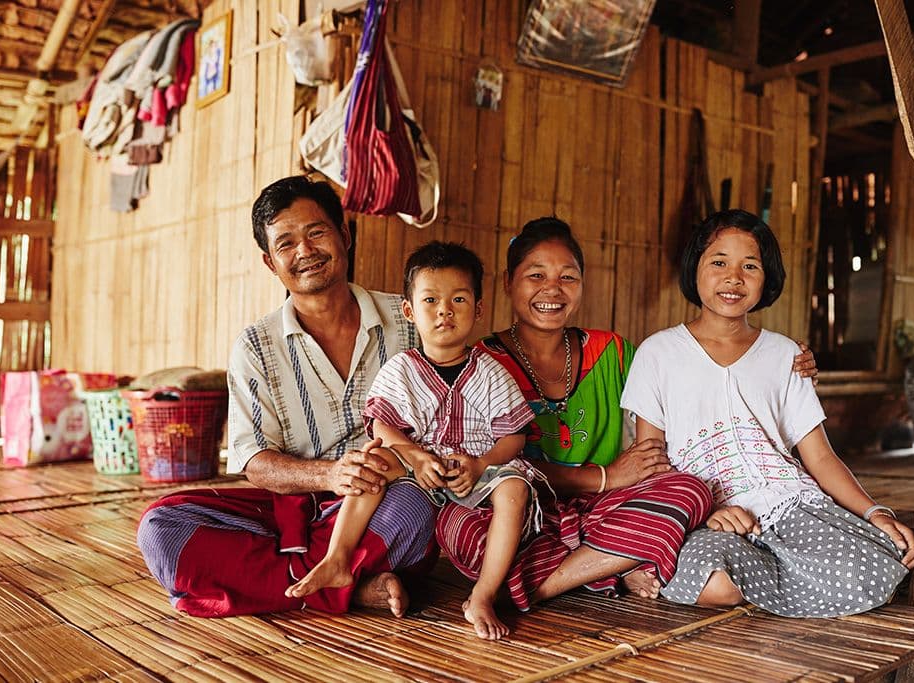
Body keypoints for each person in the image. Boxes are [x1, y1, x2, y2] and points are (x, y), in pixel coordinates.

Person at [435, 217, 819, 610]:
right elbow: (483, 467)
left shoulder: (615, 354)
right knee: (456, 526)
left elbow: (693, 377)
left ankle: (548, 584)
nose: (552, 290)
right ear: (507, 282)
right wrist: (604, 476)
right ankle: (611, 566)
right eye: (536, 275)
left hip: (605, 512)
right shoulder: (479, 363)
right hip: (517, 512)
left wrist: (787, 360)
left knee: (690, 491)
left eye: (568, 277)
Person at [136, 176, 438, 618]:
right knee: (161, 528)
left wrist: (389, 466)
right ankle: (348, 589)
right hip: (289, 510)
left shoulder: (410, 320)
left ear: (345, 235)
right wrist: (331, 476)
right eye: (286, 243)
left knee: (417, 509)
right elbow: (253, 461)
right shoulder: (256, 345)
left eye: (317, 232)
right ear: (270, 262)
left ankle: (302, 581)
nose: (305, 251)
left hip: (384, 503)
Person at [621, 209, 914, 617]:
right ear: (695, 269)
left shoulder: (786, 355)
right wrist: (707, 512)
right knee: (719, 585)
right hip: (705, 516)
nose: (734, 278)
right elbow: (650, 460)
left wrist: (874, 512)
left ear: (768, 278)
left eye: (750, 266)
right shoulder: (657, 353)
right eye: (719, 262)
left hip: (787, 506)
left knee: (881, 560)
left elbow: (818, 456)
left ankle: (772, 578)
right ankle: (782, 579)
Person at [283, 241, 539, 640]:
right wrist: (416, 456)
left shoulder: (491, 372)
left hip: (475, 471)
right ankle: (337, 558)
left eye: (458, 299)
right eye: (431, 300)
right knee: (373, 458)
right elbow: (381, 426)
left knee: (514, 489)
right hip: (418, 471)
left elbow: (514, 438)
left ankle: (483, 595)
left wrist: (480, 464)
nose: (444, 311)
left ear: (479, 309)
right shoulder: (401, 369)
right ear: (409, 310)